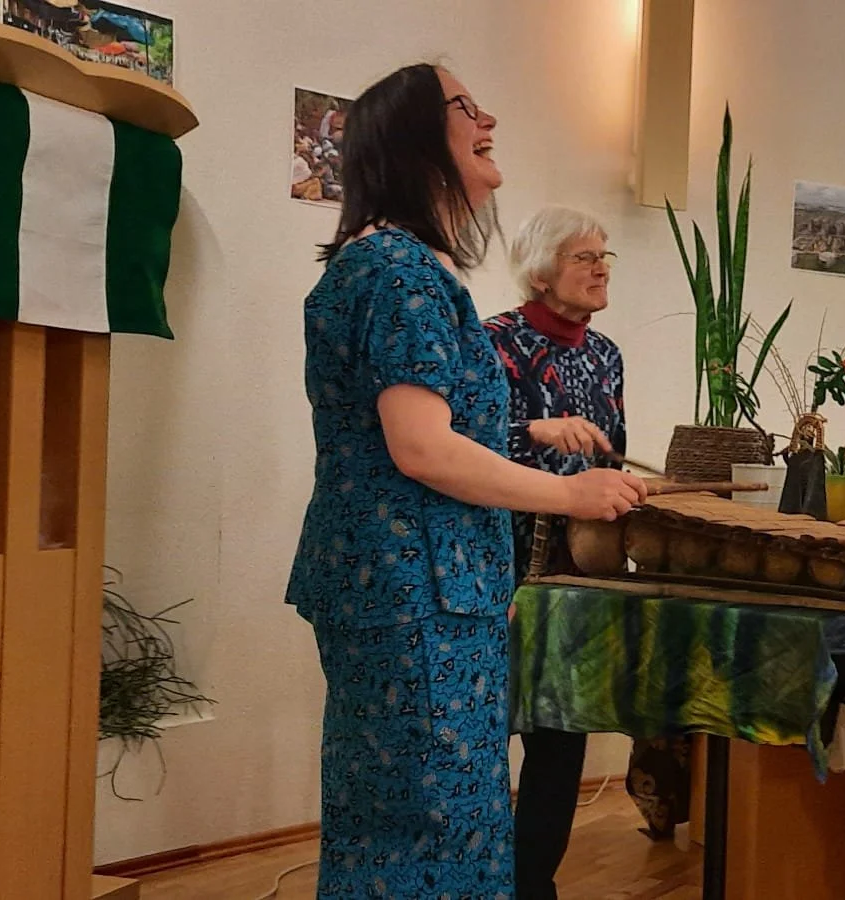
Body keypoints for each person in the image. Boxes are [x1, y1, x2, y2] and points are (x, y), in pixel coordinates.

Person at [284, 63, 647, 899]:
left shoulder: (399, 268)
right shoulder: (399, 273)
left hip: (428, 588)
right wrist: (570, 492)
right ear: (416, 140)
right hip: (412, 592)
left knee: (417, 823)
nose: (488, 117)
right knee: (430, 830)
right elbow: (423, 450)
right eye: (462, 106)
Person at [484, 207, 628, 900]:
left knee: (559, 735)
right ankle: (479, 880)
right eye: (584, 257)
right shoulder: (492, 343)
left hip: (576, 576)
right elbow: (458, 446)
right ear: (542, 273)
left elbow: (613, 449)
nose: (601, 267)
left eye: (605, 256)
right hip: (497, 568)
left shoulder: (606, 355)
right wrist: (535, 429)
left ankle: (532, 884)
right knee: (486, 733)